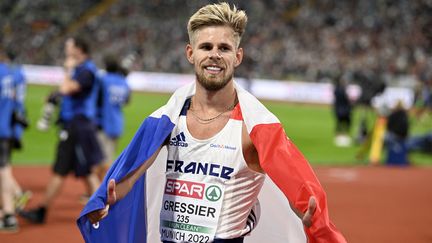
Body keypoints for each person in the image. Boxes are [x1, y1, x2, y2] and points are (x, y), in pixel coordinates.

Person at [79, 3, 346, 243]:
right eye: (206, 47)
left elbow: (295, 187)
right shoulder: (169, 120)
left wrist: (309, 218)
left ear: (238, 56)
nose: (214, 55)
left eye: (224, 48)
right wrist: (109, 199)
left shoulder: (253, 129)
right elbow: (131, 174)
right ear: (190, 53)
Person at [19, 37, 103, 224]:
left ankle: (42, 211)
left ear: (79, 49)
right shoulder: (83, 70)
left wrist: (67, 69)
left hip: (77, 126)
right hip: (76, 125)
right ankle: (102, 211)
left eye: (69, 46)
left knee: (62, 169)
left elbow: (67, 89)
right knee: (86, 171)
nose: (66, 49)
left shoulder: (86, 70)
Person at [0, 46, 30, 232]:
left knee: (3, 170)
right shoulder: (11, 74)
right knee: (4, 168)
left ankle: (9, 214)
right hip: (7, 127)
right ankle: (12, 204)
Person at [95, 55, 131, 180]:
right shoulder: (123, 81)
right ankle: (100, 188)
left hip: (103, 122)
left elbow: (96, 98)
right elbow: (127, 100)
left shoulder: (104, 80)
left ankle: (102, 190)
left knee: (100, 159)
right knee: (108, 156)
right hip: (117, 122)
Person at [333, 74, 352, 147]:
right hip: (343, 109)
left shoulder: (337, 89)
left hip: (338, 108)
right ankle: (343, 134)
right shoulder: (342, 90)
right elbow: (346, 100)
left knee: (339, 122)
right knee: (346, 122)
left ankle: (339, 134)